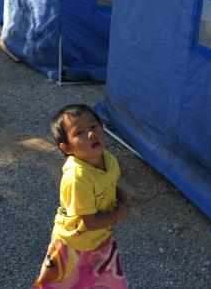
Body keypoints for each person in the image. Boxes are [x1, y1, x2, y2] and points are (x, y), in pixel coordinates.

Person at [32, 104, 132, 289]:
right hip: (72, 244)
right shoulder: (77, 177)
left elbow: (107, 182)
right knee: (59, 284)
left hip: (100, 239)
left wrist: (117, 192)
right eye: (80, 132)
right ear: (67, 147)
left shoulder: (108, 160)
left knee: (108, 283)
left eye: (94, 126)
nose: (91, 134)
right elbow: (91, 222)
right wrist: (119, 213)